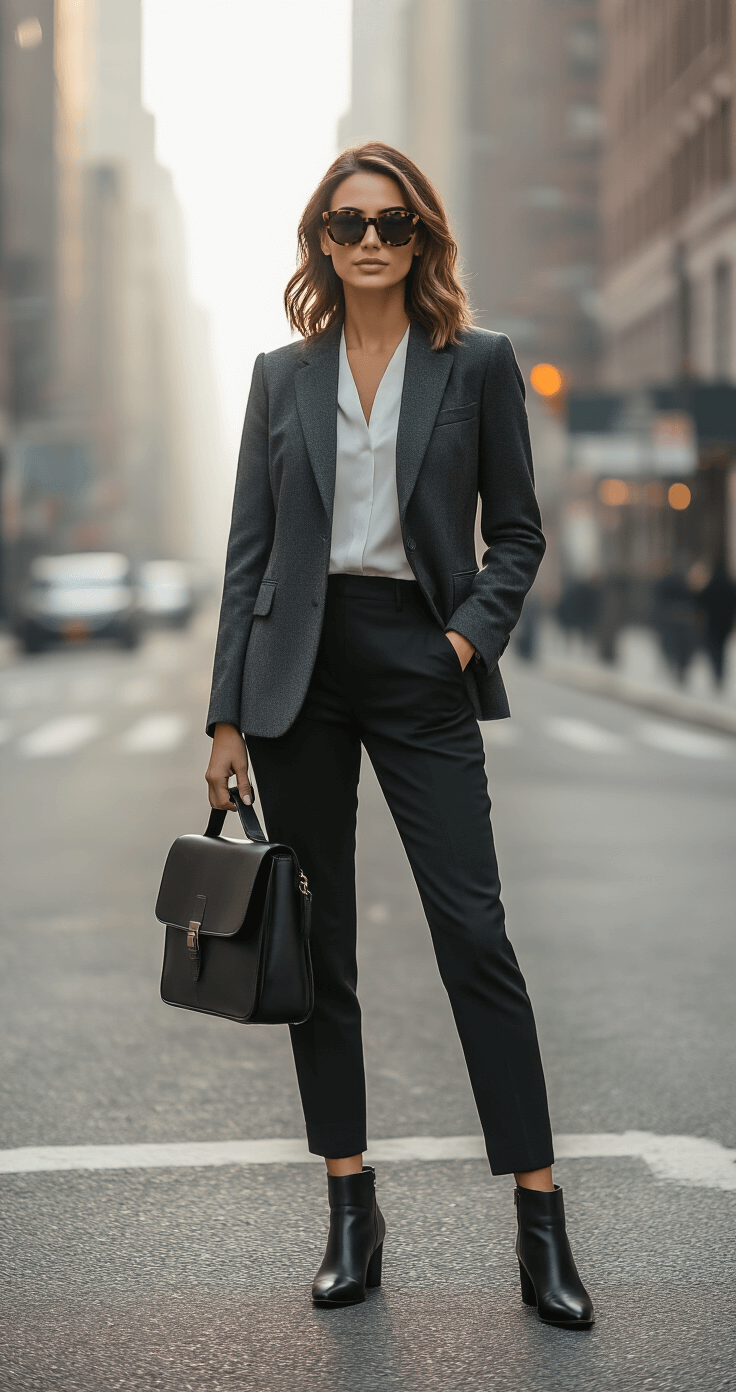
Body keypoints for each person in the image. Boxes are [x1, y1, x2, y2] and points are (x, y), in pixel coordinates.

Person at [205, 142, 593, 1328]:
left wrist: (463, 643)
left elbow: (515, 533)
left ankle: (539, 1221)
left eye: (392, 223)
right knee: (318, 951)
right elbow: (249, 556)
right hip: (298, 673)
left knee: (473, 932)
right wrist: (225, 715)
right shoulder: (280, 377)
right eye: (348, 222)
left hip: (421, 659)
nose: (370, 240)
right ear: (320, 240)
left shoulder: (476, 363)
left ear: (421, 238)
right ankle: (349, 1210)